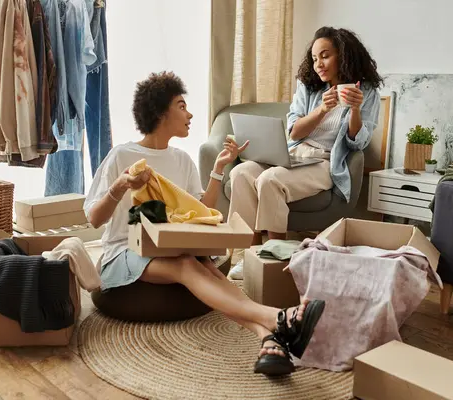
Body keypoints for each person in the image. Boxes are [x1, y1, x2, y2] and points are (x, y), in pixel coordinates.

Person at [84, 71, 325, 376]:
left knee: (209, 267)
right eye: (182, 106)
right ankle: (281, 317)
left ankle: (269, 338)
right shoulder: (122, 155)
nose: (190, 114)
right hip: (123, 252)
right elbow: (94, 220)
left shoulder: (182, 159)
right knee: (187, 264)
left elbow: (201, 211)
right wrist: (120, 186)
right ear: (160, 112)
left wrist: (220, 168)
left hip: (169, 247)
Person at [227, 26, 383, 279]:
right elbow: (294, 132)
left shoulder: (366, 93)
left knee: (270, 180)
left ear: (343, 56)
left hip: (324, 163)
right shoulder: (309, 88)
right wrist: (321, 109)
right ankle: (250, 256)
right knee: (241, 173)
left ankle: (272, 260)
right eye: (314, 58)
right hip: (293, 155)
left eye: (325, 56)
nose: (318, 64)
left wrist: (355, 108)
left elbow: (358, 143)